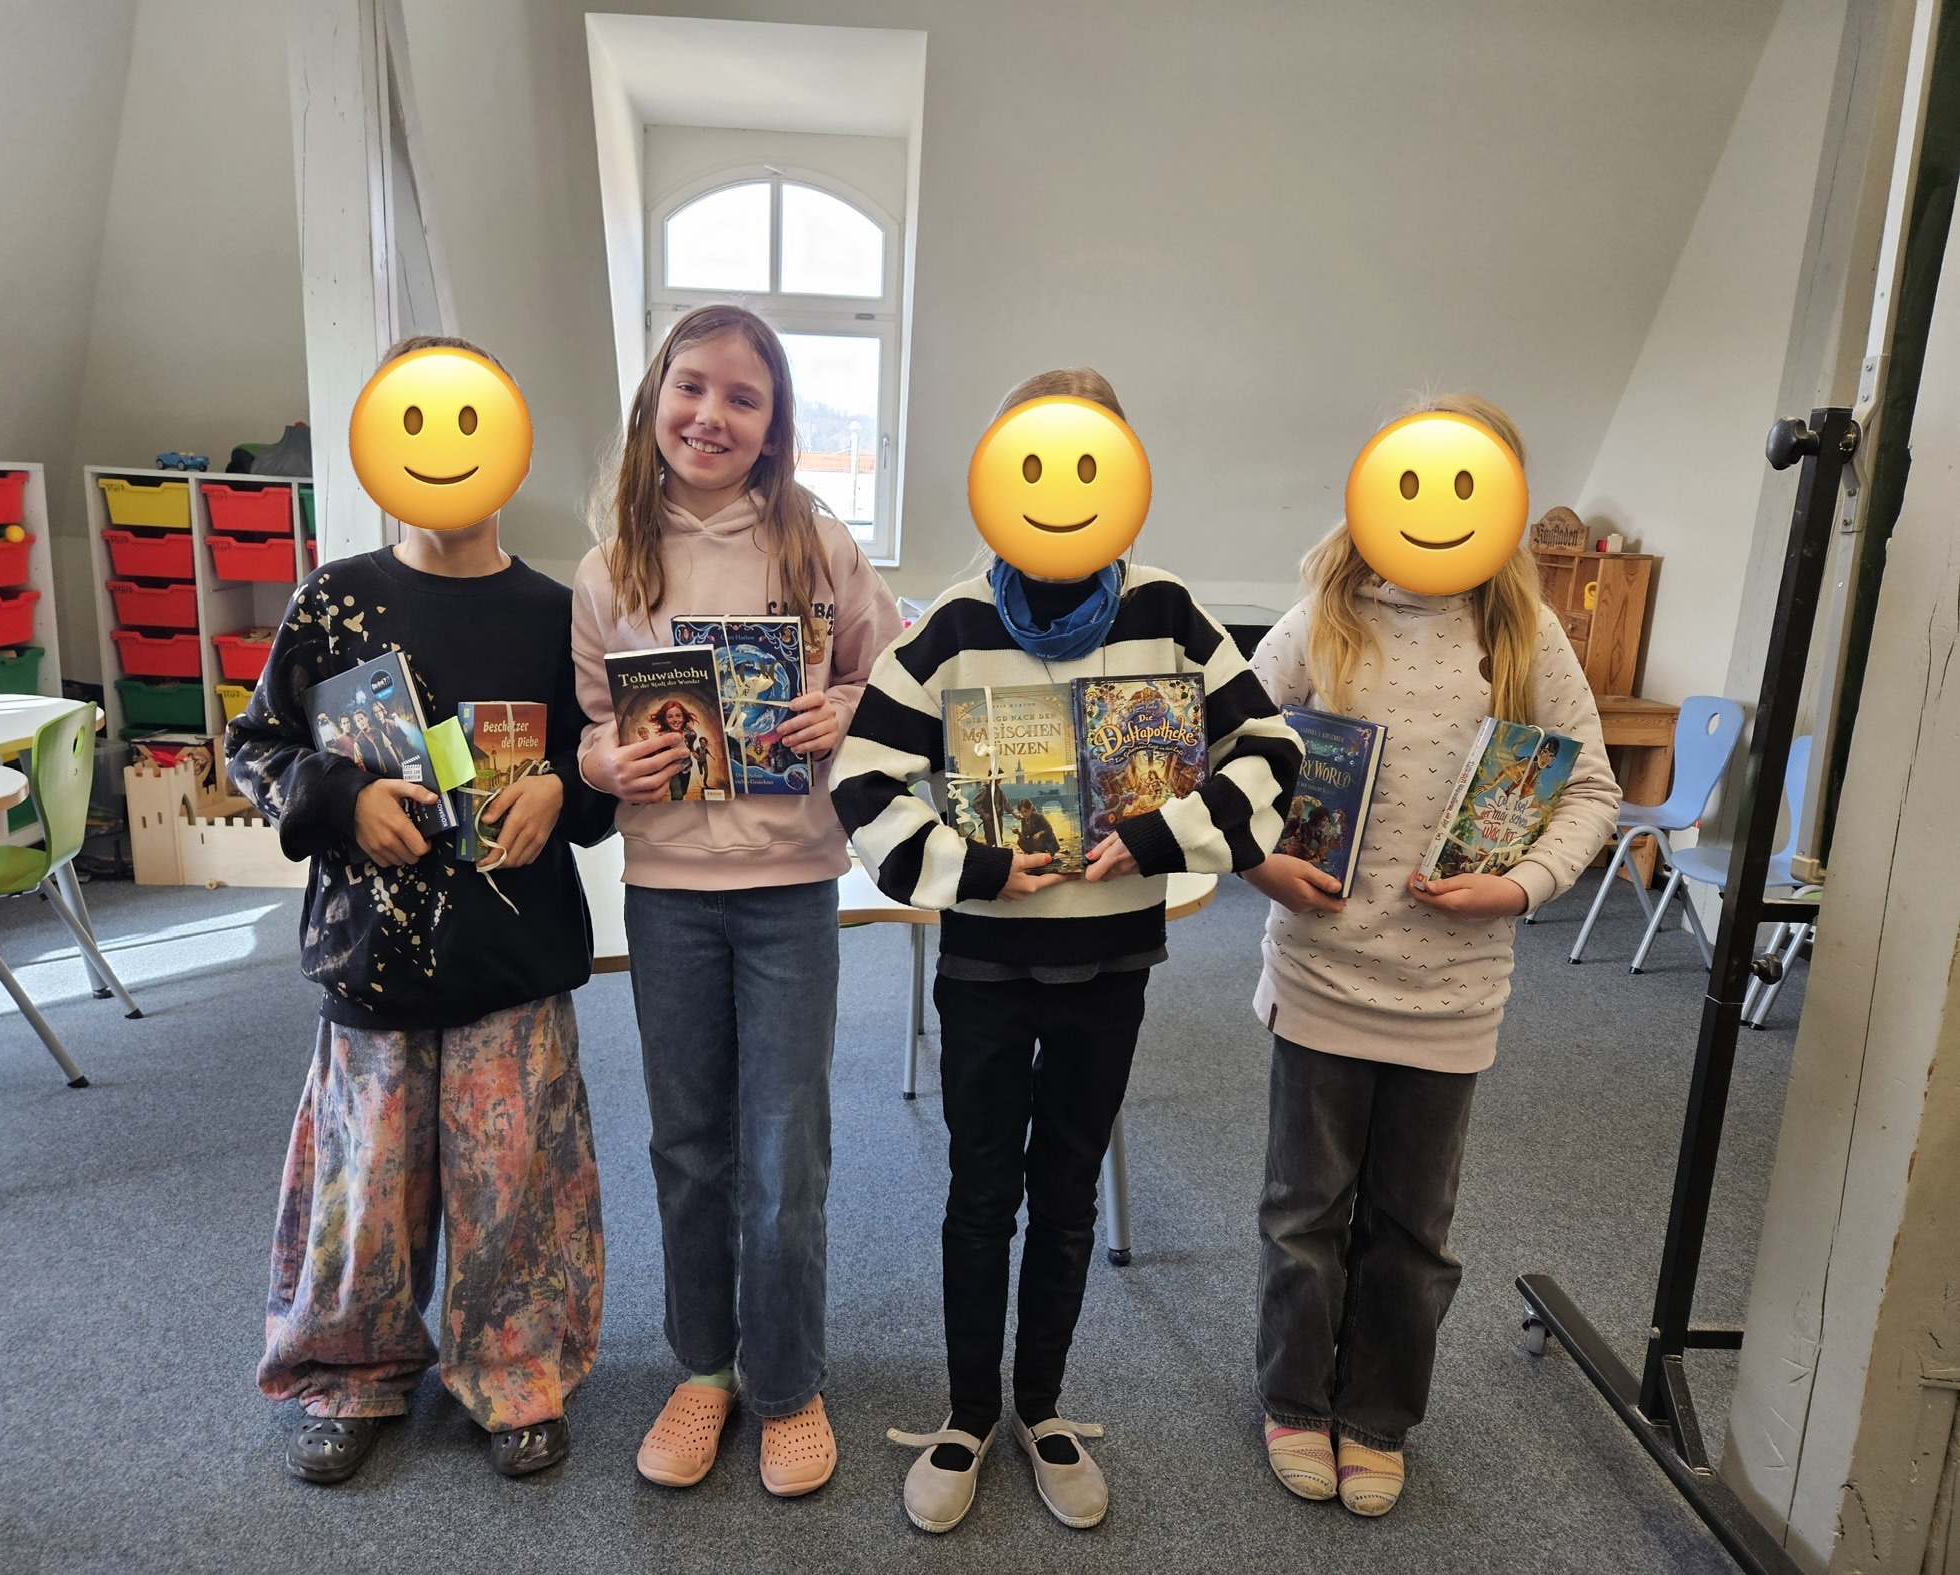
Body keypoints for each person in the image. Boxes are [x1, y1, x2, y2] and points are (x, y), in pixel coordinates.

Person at [831, 368, 1303, 1534]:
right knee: (981, 1190)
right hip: (986, 966)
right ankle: (967, 1414)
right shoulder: (952, 624)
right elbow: (863, 778)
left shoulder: (1171, 613)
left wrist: (1158, 833)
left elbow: (1270, 754)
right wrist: (974, 866)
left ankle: (1039, 1407)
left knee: (1069, 1191)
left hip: (1111, 963)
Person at [226, 333, 615, 1488]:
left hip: (513, 955)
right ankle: (349, 1371)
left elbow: (603, 766)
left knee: (515, 1187)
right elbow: (254, 748)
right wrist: (339, 799)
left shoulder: (557, 613)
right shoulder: (333, 602)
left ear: (509, 447)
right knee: (367, 1189)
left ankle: (517, 1371)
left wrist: (566, 786)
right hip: (374, 961)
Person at [1242, 393, 1620, 1516]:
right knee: (1303, 1214)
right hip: (1321, 976)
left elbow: (1591, 789)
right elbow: (1223, 757)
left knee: (1413, 1229)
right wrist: (1259, 861)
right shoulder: (1322, 619)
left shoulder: (1523, 634)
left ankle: (1376, 1416)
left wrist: (1521, 884)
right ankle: (1295, 1400)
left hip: (1452, 996)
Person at [572, 303, 901, 1499]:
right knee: (688, 1146)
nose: (712, 414)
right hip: (667, 898)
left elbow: (890, 677)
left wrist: (844, 709)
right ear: (656, 400)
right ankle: (704, 1368)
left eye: (743, 398)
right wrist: (607, 763)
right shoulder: (609, 565)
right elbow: (589, 730)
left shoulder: (817, 544)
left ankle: (788, 1381)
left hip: (789, 894)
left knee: (783, 1151)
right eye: (693, 388)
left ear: (774, 425)